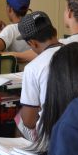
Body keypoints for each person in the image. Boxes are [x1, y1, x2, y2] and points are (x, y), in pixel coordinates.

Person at [15, 11, 62, 142]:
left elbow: (29, 122)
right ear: (55, 31)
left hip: (52, 138)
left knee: (20, 118)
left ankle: (24, 154)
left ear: (32, 43)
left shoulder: (33, 68)